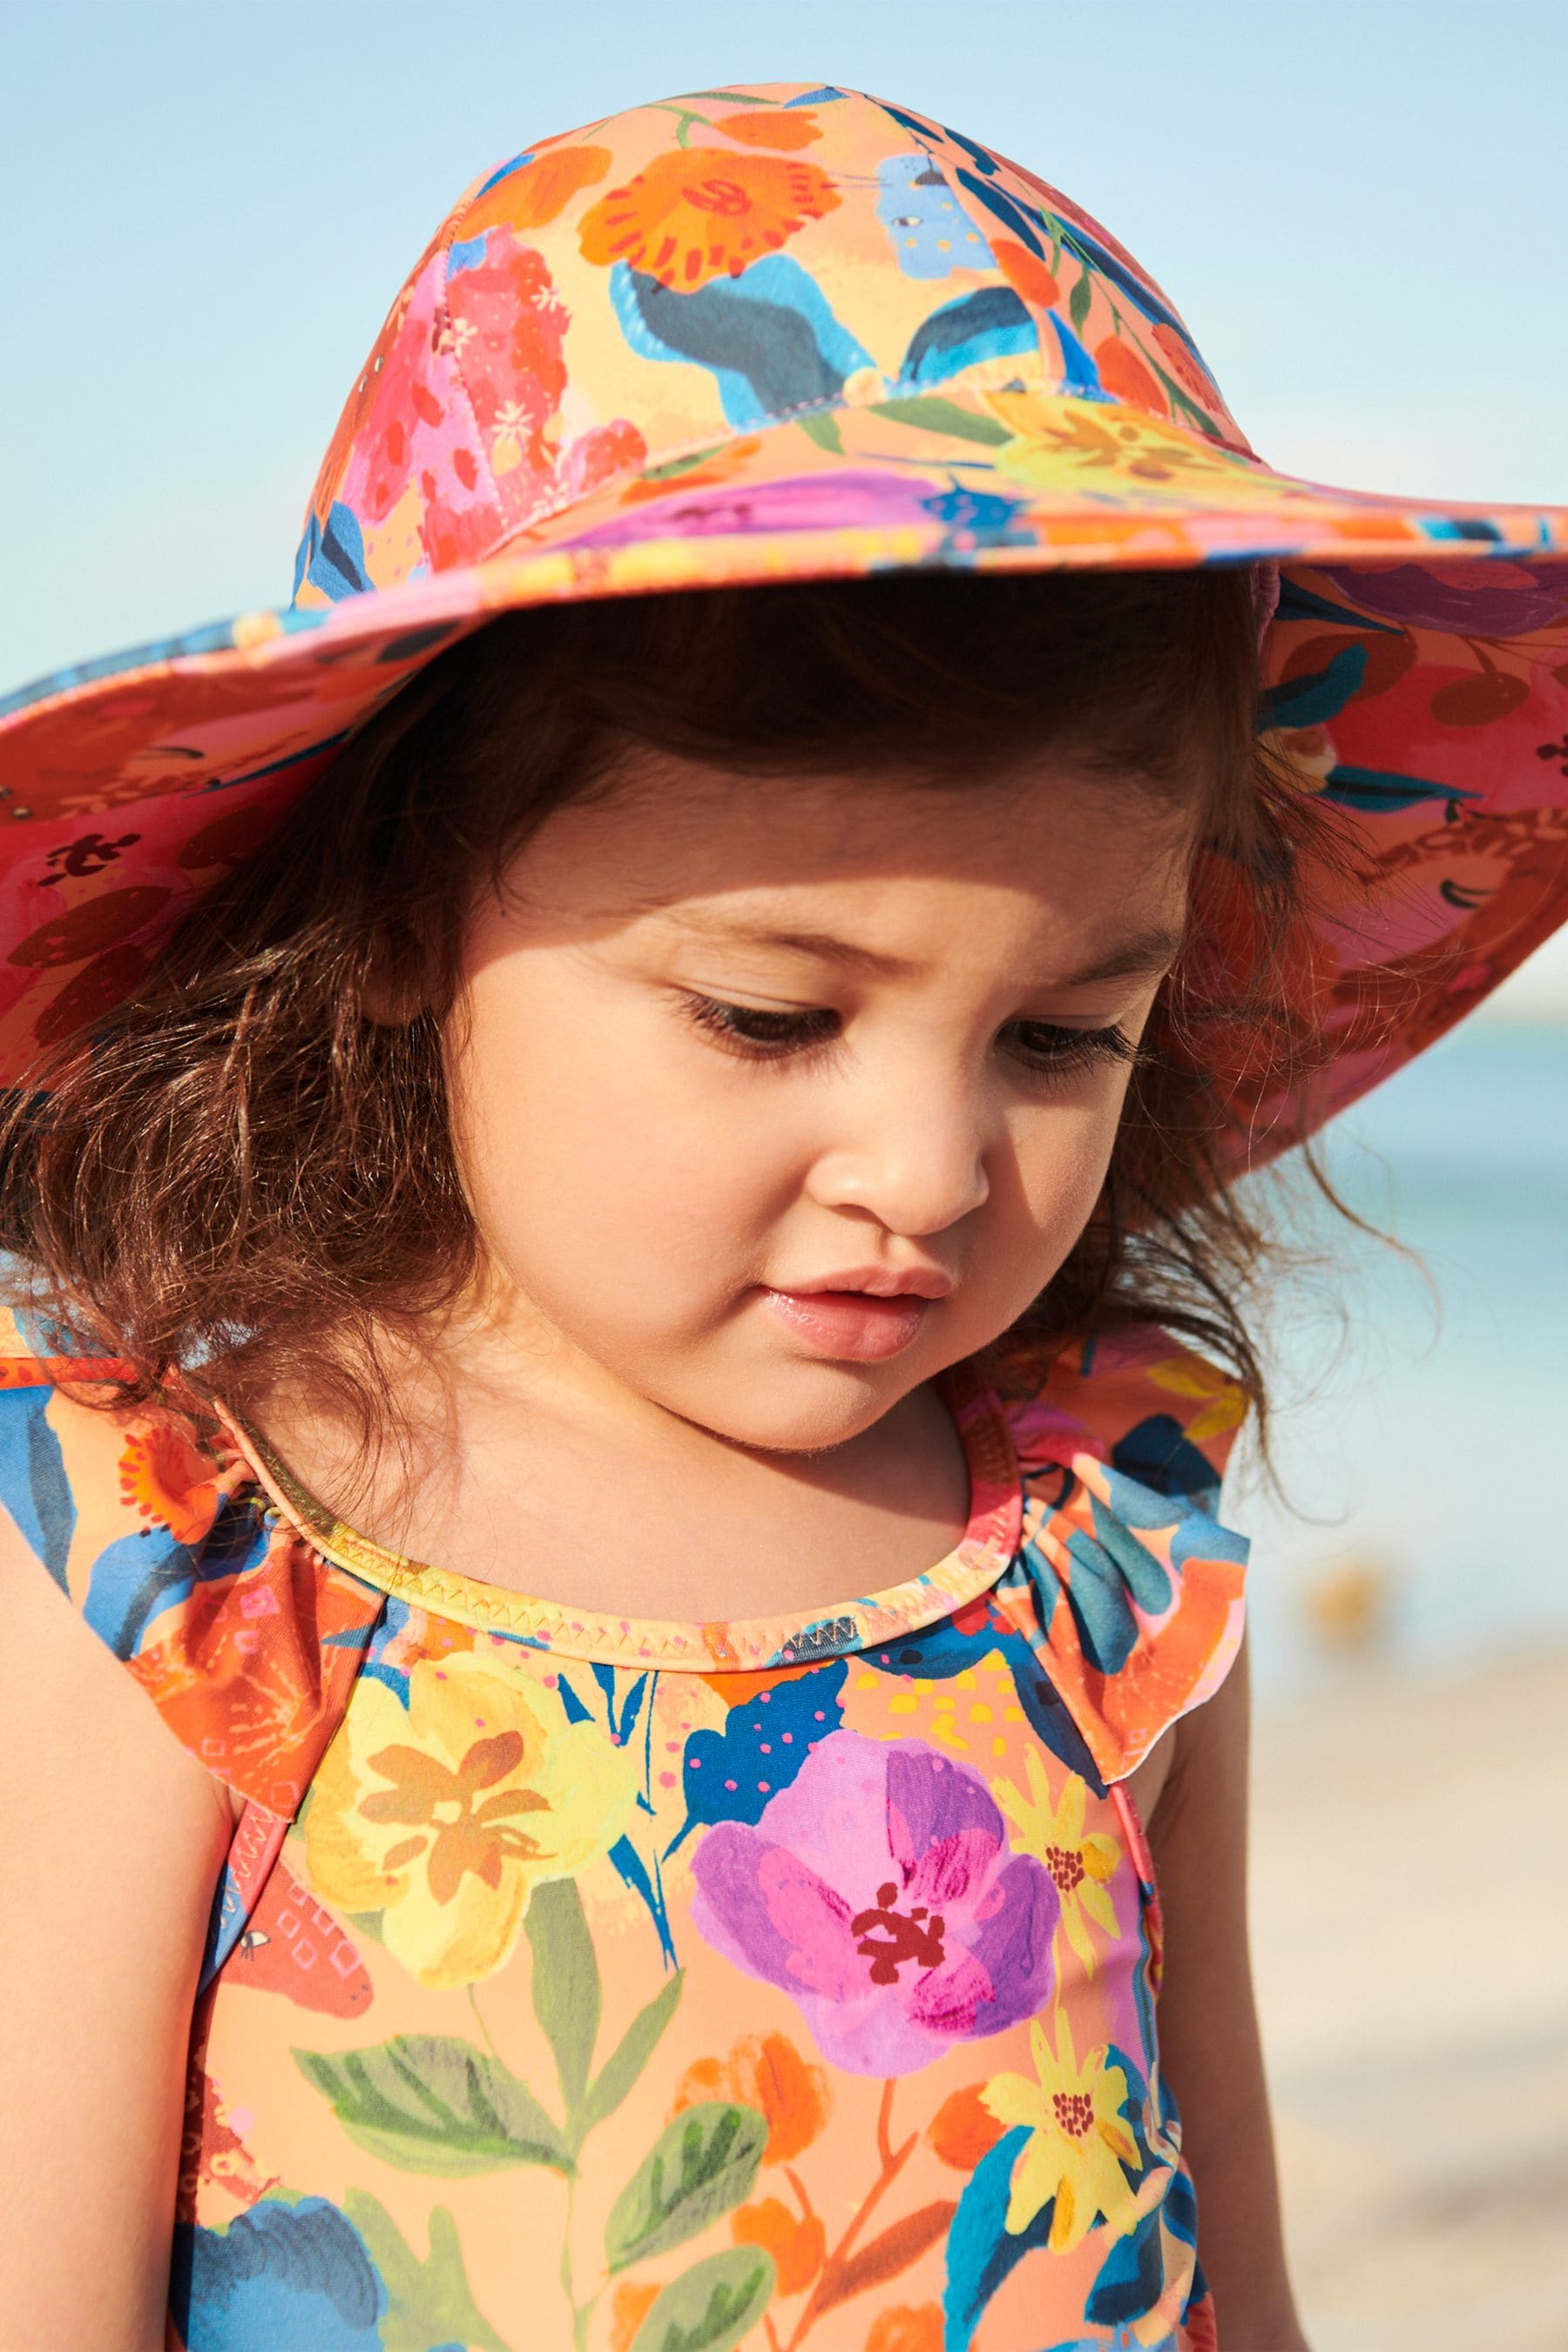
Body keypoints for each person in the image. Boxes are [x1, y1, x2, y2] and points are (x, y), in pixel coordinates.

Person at [0, 81, 1563, 2352]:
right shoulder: (183, 1564)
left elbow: (1241, 2288)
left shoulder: (1104, 1544)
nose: (932, 1176)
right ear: (410, 912)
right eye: (766, 1015)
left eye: (1059, 1040)